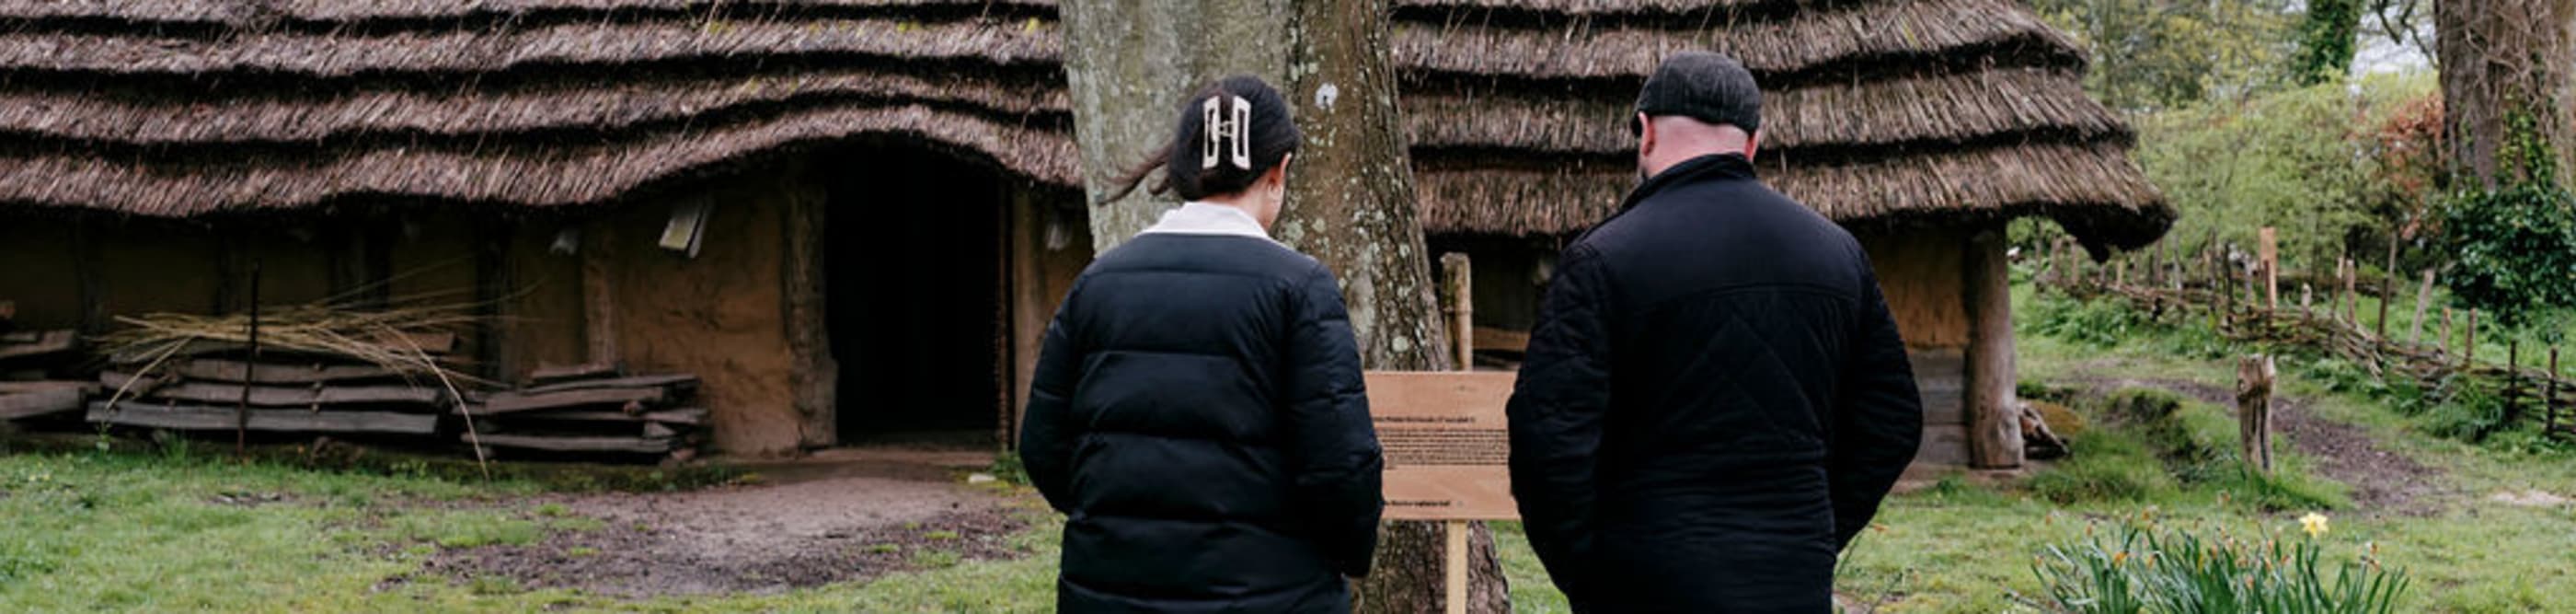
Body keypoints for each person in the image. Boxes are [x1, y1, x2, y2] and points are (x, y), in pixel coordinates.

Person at [1504, 52, 1924, 612]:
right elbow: (1892, 421)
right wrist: (1812, 529)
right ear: (1752, 143)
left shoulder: (1602, 259)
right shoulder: (1837, 254)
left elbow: (1547, 439)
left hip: (1645, 577)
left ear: (1646, 132)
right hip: (1792, 576)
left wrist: (1591, 569)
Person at [1018, 75, 1384, 613]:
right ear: (1278, 171)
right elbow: (1342, 467)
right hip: (1271, 594)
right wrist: (1345, 554)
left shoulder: (1098, 284)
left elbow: (1043, 447)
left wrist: (1117, 523)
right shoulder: (1300, 288)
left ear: (1184, 170)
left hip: (1112, 591)